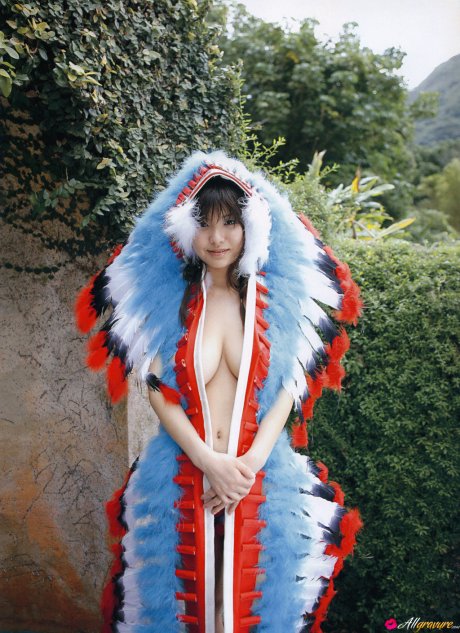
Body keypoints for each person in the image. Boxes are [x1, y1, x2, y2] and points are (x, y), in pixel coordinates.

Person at [75, 150, 364, 633]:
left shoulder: (271, 304)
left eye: (230, 222)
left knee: (246, 606)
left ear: (249, 227)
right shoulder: (177, 302)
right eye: (205, 224)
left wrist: (246, 468)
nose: (217, 238)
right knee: (192, 606)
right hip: (184, 471)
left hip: (260, 474)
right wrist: (210, 462)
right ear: (188, 230)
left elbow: (286, 390)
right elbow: (158, 391)